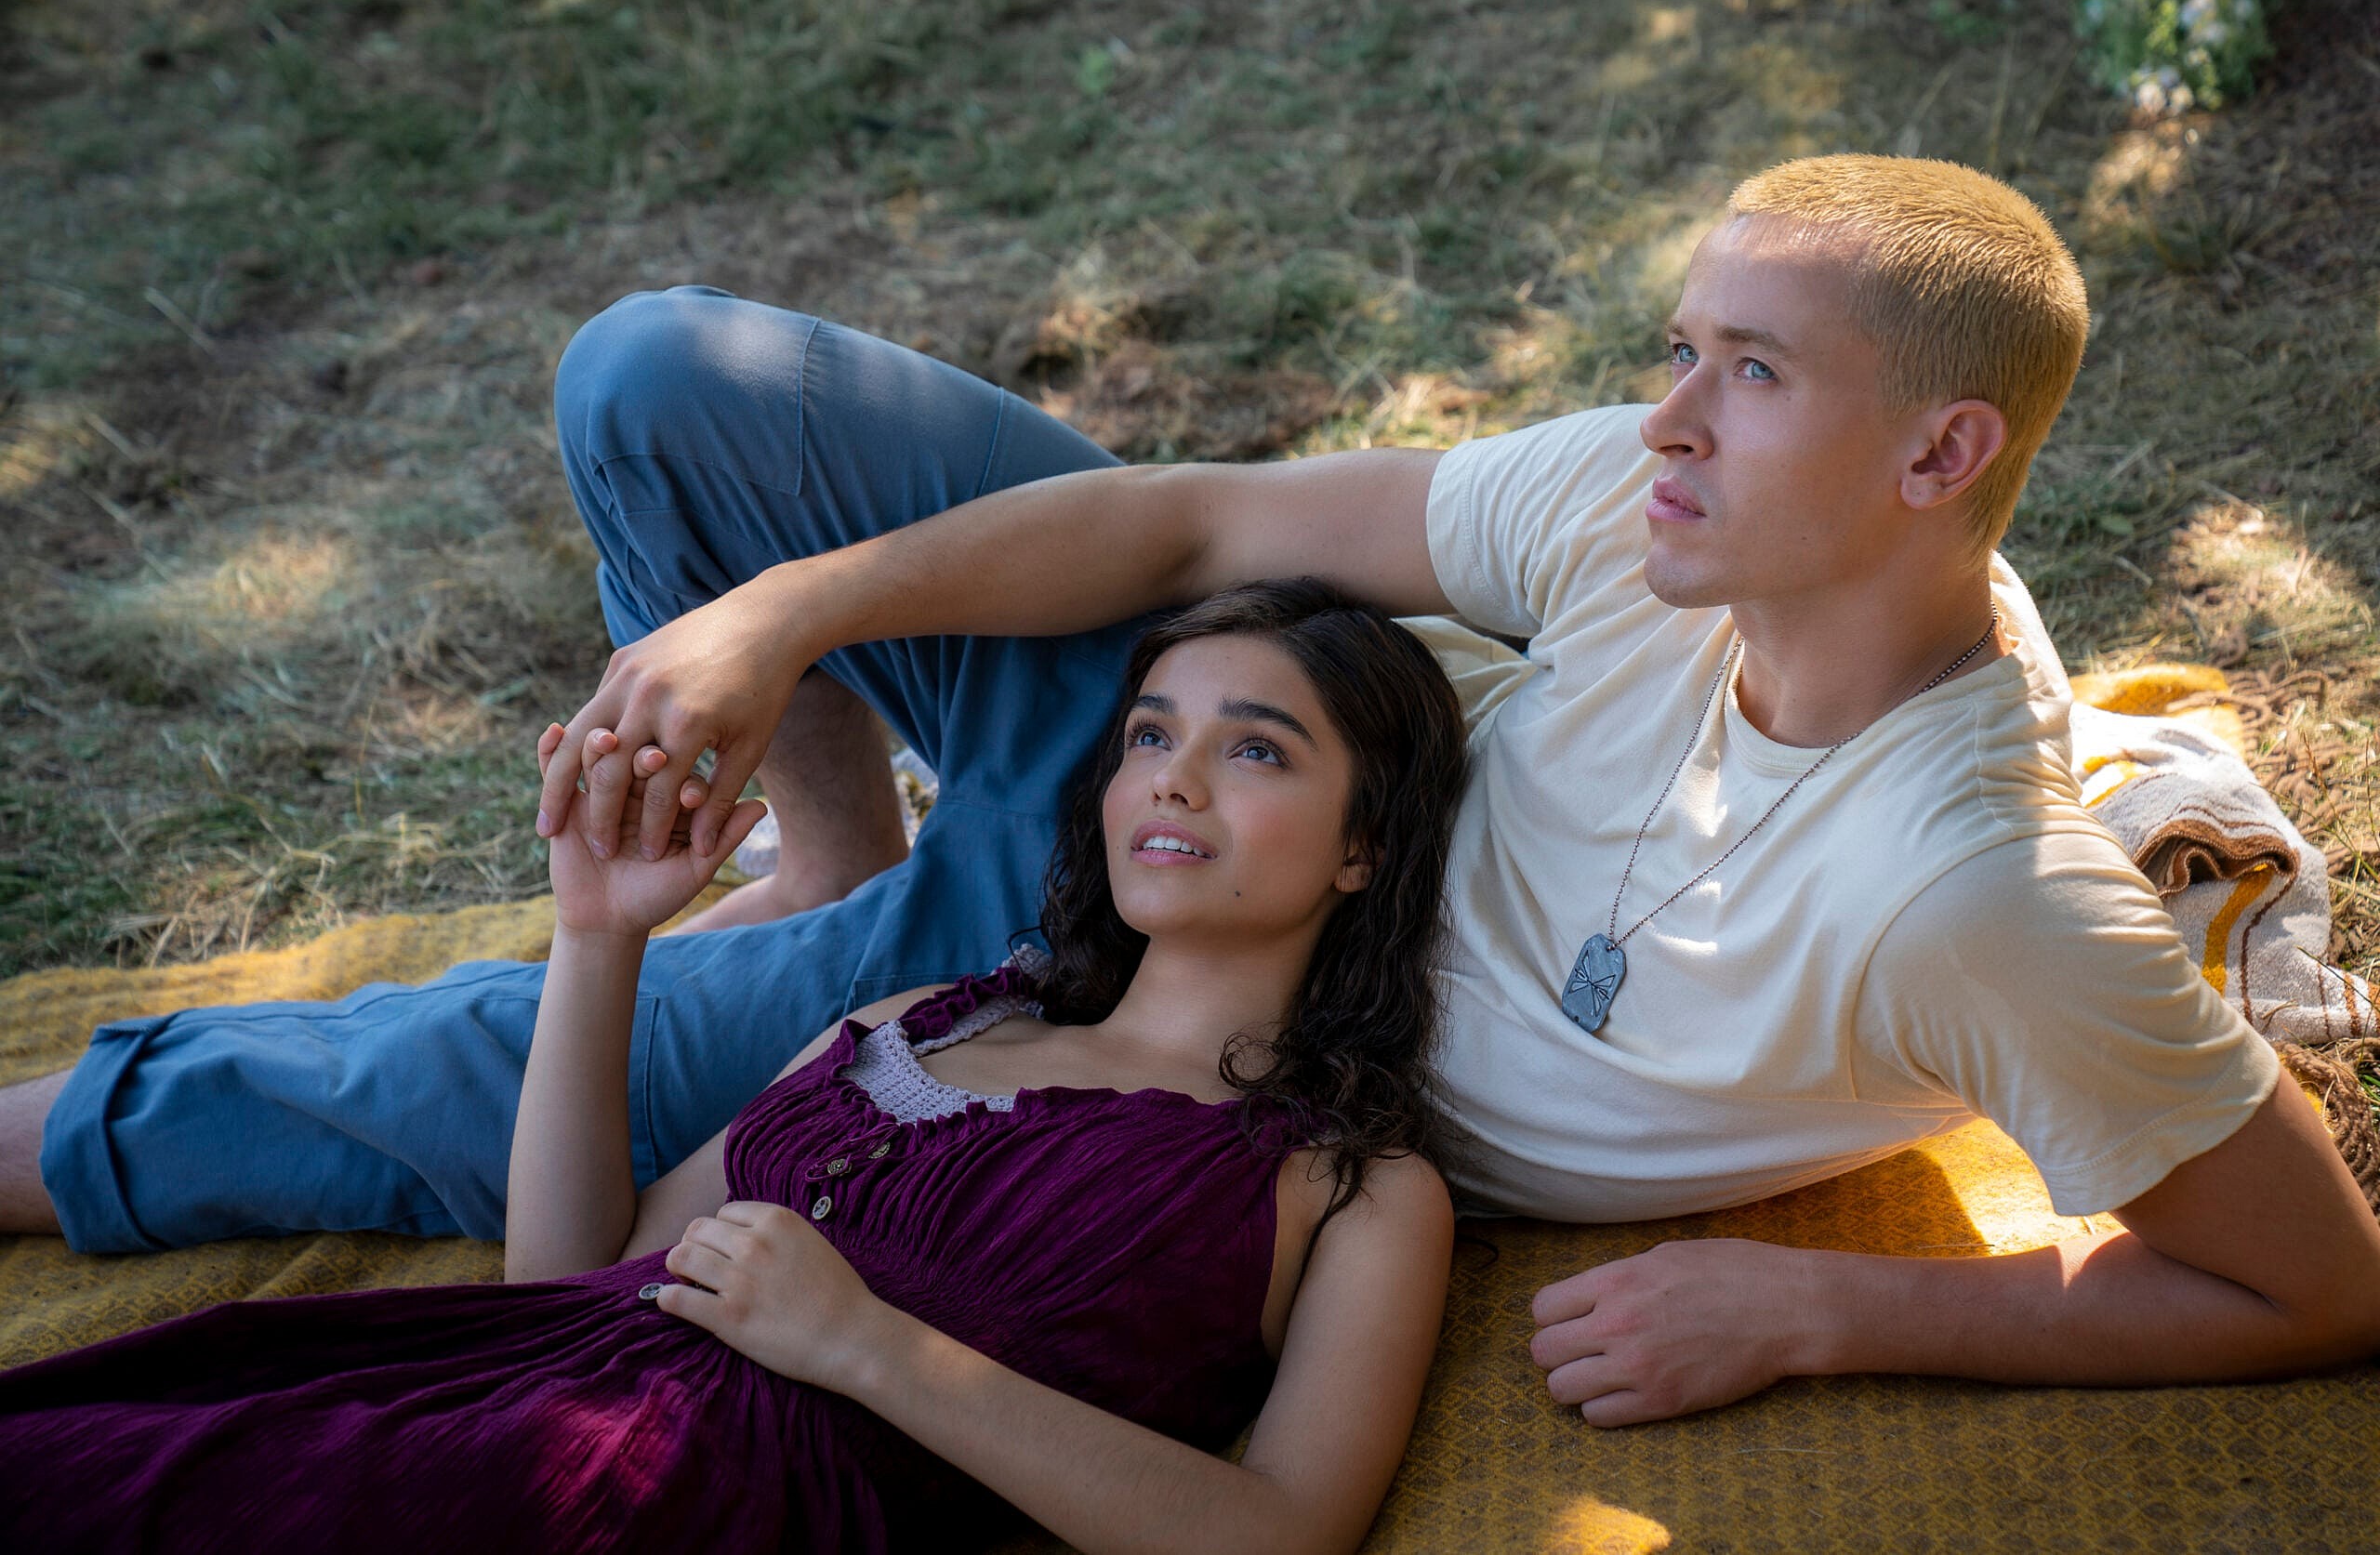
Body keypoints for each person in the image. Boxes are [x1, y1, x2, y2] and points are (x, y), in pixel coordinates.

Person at [5, 154, 2376, 1426]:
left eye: (1736, 373)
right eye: (1678, 351)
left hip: (1161, 998)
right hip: (1231, 742)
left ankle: (38, 1137)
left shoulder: (1974, 899)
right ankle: (828, 839)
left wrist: (1830, 1310)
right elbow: (1185, 518)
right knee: (656, 379)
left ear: (1938, 453)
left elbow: (2310, 1281)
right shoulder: (1657, 519)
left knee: (468, 1060)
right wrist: (783, 622)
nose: (1656, 417)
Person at [0, 581, 1465, 1554]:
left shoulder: (1350, 1184)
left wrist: (873, 1350)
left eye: (1257, 750)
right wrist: (599, 940)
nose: (1175, 776)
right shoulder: (928, 1016)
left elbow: (1280, 1531)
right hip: (513, 1406)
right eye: (1153, 732)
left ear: (1365, 847)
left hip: (697, 1510)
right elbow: (576, 1272)